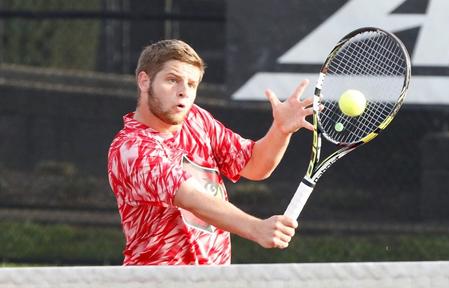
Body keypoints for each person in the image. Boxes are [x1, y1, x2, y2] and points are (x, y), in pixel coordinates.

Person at [107, 39, 314, 271]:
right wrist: (257, 228)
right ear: (144, 81)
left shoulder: (197, 120)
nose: (183, 92)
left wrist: (280, 130)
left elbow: (255, 165)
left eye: (192, 84)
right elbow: (191, 198)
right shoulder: (131, 148)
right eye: (172, 80)